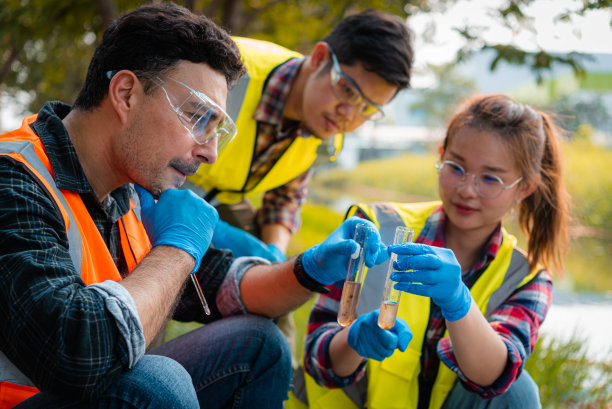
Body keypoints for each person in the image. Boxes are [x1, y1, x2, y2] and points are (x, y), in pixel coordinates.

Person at [0, 4, 389, 409]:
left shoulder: (127, 189)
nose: (211, 153)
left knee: (262, 346)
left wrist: (307, 269)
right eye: (196, 117)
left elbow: (225, 285)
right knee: (156, 383)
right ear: (126, 94)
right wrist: (178, 247)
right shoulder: (13, 178)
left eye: (217, 127)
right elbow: (78, 357)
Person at [289, 94, 571, 409]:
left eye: (490, 178)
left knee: (519, 391)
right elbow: (317, 357)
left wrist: (458, 303)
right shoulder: (374, 226)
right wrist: (353, 341)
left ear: (524, 188)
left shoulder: (526, 278)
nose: (466, 189)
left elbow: (495, 378)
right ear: (441, 156)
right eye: (456, 168)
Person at [187, 9, 414, 261]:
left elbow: (285, 198)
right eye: (348, 91)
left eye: (368, 108)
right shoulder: (225, 70)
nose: (348, 115)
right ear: (319, 57)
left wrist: (274, 256)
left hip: (212, 206)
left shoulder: (326, 136)